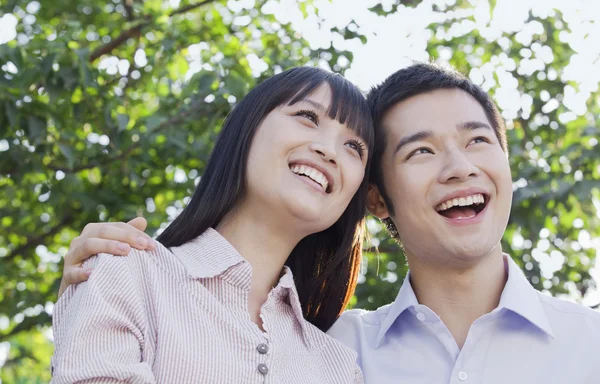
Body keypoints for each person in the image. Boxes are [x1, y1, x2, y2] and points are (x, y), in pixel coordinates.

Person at [58, 63, 600, 383]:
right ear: (376, 200)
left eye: (353, 145)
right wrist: (100, 283)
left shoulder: (329, 357)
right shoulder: (347, 348)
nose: (459, 167)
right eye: (420, 152)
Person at [50, 66, 374, 383]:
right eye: (308, 117)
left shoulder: (340, 368)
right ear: (247, 127)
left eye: (353, 147)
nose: (329, 150)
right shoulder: (126, 271)